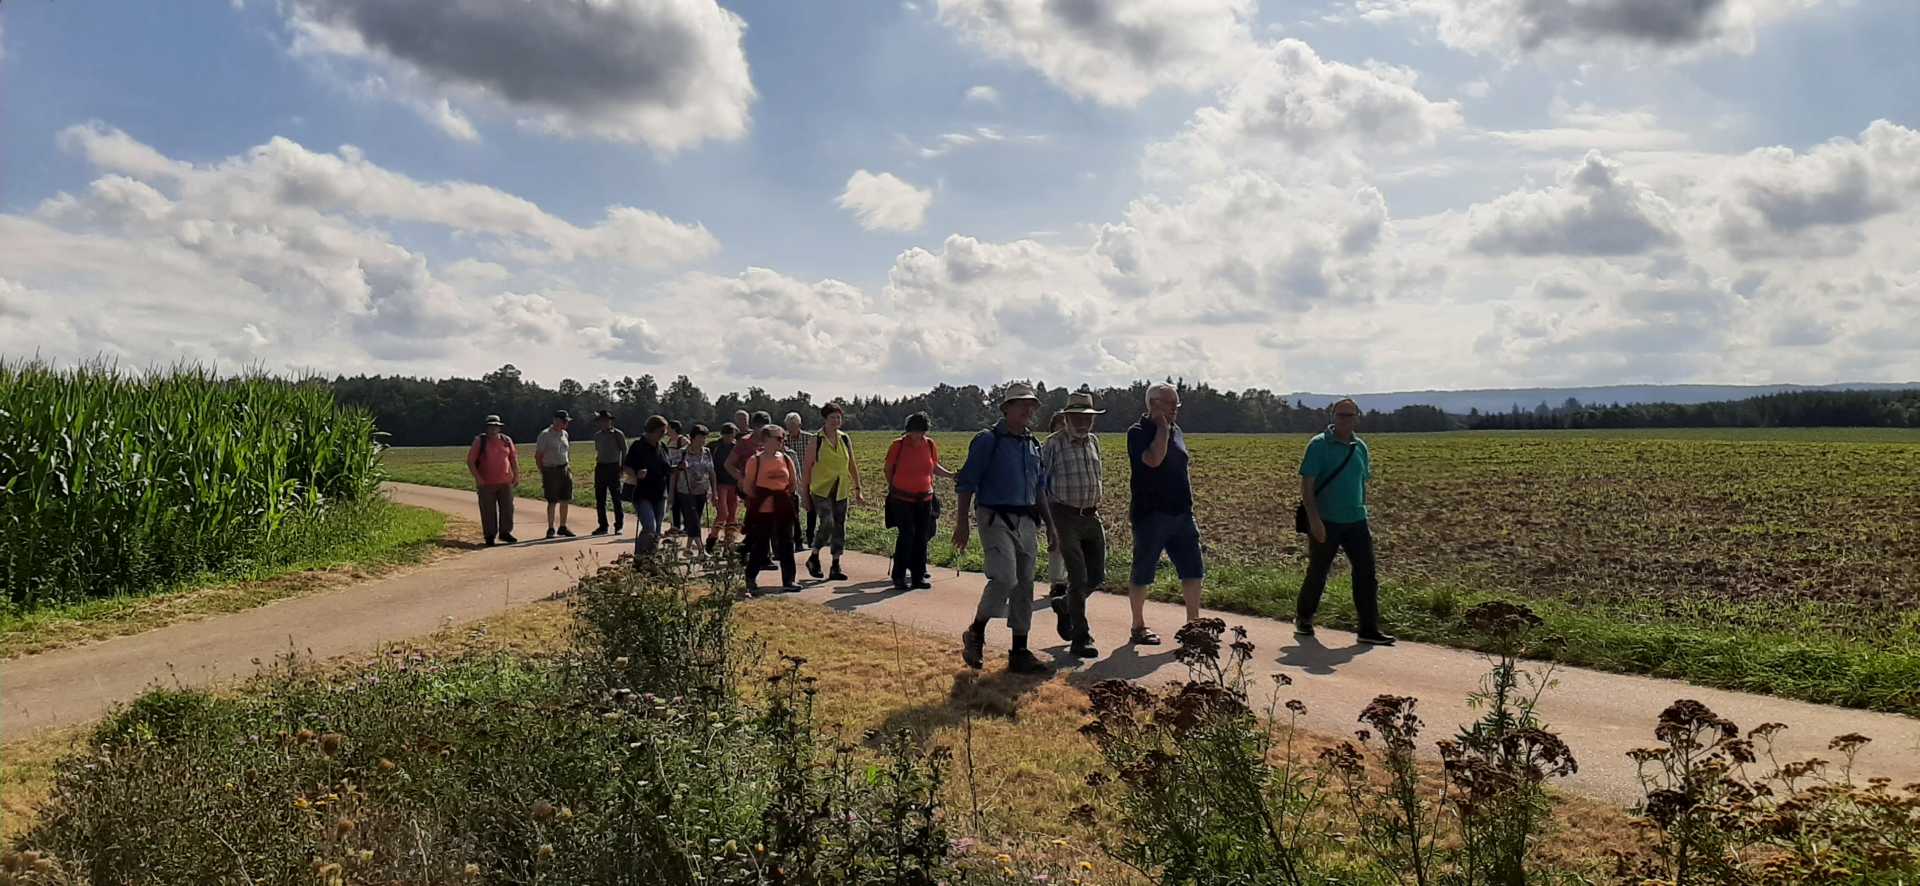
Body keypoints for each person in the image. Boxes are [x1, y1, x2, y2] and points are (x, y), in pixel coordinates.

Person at [952, 383, 1052, 674]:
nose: (1028, 409)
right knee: (1005, 578)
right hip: (994, 517)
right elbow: (967, 482)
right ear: (1006, 408)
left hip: (1027, 520)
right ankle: (976, 631)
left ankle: (1019, 651)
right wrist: (961, 523)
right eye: (1021, 404)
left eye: (1031, 405)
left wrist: (1052, 527)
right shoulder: (988, 440)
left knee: (1025, 584)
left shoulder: (1033, 444)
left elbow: (1040, 489)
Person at [1296, 399, 1396, 645]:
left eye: (1350, 415)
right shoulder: (1318, 445)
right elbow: (1307, 487)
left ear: (1356, 418)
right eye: (1341, 415)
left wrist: (1362, 510)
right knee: (1318, 572)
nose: (1345, 420)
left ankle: (1368, 629)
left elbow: (1361, 482)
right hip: (1326, 520)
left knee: (1366, 574)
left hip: (1357, 521)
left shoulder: (1360, 447)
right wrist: (1314, 521)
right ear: (1333, 416)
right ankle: (1304, 618)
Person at [1125, 383, 1204, 645]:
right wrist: (1161, 428)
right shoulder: (1137, 432)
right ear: (1154, 404)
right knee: (1143, 571)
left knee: (1193, 570)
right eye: (1170, 404)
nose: (1175, 409)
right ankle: (1138, 626)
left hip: (1182, 513)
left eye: (1176, 404)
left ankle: (1193, 626)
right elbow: (1154, 459)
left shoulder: (1176, 430)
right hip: (1151, 515)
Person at [1042, 390, 1106, 658]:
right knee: (1078, 578)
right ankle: (1081, 638)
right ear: (1066, 418)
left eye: (1087, 418)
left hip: (1091, 516)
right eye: (1077, 417)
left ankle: (1065, 605)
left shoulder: (1094, 442)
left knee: (1097, 576)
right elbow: (1041, 484)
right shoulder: (1053, 444)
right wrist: (1050, 524)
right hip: (1064, 515)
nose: (1083, 423)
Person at [883, 411, 953, 591]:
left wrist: (951, 475)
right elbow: (888, 468)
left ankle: (918, 576)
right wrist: (893, 486)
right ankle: (899, 577)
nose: (917, 435)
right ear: (908, 430)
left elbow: (934, 466)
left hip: (925, 498)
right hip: (901, 498)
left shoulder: (929, 444)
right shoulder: (898, 445)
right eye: (914, 431)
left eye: (921, 431)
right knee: (907, 535)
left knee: (922, 536)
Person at [804, 403, 864, 581]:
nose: (836, 421)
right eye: (832, 417)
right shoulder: (816, 440)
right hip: (821, 490)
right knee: (827, 522)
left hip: (841, 489)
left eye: (838, 417)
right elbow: (807, 469)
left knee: (839, 526)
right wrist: (805, 495)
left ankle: (835, 565)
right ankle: (814, 555)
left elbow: (851, 464)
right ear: (825, 419)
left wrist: (858, 489)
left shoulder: (845, 438)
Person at [739, 425, 802, 593]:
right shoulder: (755, 460)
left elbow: (793, 483)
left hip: (783, 508)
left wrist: (782, 496)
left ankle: (789, 580)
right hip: (763, 510)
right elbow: (748, 487)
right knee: (760, 545)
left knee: (787, 544)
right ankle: (750, 578)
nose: (783, 441)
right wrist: (762, 498)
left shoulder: (786, 459)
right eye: (779, 438)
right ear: (766, 439)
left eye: (783, 438)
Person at [466, 414, 520, 546]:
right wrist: (478, 478)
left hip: (505, 481)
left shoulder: (506, 440)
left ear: (499, 428)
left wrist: (516, 475)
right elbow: (470, 461)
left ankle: (505, 533)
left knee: (507, 508)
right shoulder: (480, 441)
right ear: (486, 428)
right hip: (486, 483)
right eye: (490, 426)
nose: (493, 429)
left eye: (496, 426)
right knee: (488, 510)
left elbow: (513, 459)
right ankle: (490, 536)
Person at [624, 415, 672, 561]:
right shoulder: (637, 446)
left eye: (664, 432)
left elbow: (667, 469)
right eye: (661, 431)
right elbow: (626, 466)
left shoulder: (662, 447)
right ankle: (640, 559)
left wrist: (678, 468)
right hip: (642, 493)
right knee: (649, 526)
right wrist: (636, 474)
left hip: (660, 493)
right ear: (652, 430)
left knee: (657, 530)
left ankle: (652, 559)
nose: (664, 434)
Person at [671, 424, 715, 556]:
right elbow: (673, 473)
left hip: (702, 491)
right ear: (692, 438)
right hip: (685, 491)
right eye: (700, 437)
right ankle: (701, 550)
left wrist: (714, 492)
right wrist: (671, 494)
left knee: (694, 521)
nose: (703, 440)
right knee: (693, 520)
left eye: (704, 438)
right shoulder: (682, 452)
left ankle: (687, 549)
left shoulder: (707, 452)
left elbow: (711, 472)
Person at [1041, 411, 1071, 602]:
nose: (1063, 428)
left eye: (1066, 424)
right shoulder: (1049, 446)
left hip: (1076, 504)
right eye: (1060, 424)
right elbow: (1042, 477)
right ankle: (1057, 583)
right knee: (1056, 544)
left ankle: (1070, 579)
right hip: (1055, 503)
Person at [536, 410, 576, 539]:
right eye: (564, 421)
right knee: (552, 500)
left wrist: (568, 466)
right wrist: (543, 471)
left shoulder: (565, 434)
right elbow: (538, 455)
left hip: (565, 468)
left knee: (565, 498)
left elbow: (566, 452)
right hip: (550, 470)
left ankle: (562, 526)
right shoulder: (545, 435)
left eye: (567, 421)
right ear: (556, 420)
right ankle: (551, 528)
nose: (566, 424)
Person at [591, 410, 628, 536]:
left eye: (606, 421)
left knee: (616, 498)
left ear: (610, 421)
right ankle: (603, 526)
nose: (604, 423)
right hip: (601, 467)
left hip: (613, 467)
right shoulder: (597, 435)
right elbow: (598, 450)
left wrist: (622, 467)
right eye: (601, 421)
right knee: (600, 499)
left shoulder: (618, 434)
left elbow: (624, 451)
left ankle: (619, 526)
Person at [706, 423, 741, 554]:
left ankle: (729, 543)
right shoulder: (714, 447)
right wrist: (712, 489)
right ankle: (712, 539)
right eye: (727, 434)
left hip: (733, 484)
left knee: (732, 515)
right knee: (723, 513)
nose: (729, 437)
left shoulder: (736, 447)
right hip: (720, 484)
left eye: (731, 434)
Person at [783, 412, 813, 553]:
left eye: (794, 426)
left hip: (808, 476)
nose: (791, 429)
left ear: (799, 425)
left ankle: (810, 537)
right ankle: (796, 540)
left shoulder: (809, 438)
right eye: (789, 426)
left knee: (810, 508)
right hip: (791, 478)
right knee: (794, 511)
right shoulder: (783, 439)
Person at [664, 419, 686, 536]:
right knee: (673, 500)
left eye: (668, 428)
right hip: (671, 473)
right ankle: (676, 526)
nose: (666, 430)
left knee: (681, 499)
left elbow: (689, 451)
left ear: (674, 429)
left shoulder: (682, 440)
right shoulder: (669, 441)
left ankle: (684, 526)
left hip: (681, 475)